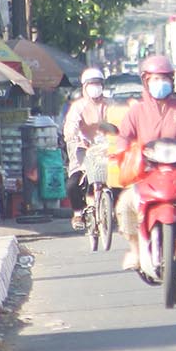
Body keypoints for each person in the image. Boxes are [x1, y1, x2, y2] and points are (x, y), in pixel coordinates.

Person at [115, 54, 176, 270]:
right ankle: (135, 250)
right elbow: (124, 136)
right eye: (156, 79)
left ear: (172, 80)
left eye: (165, 78)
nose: (161, 83)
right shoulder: (136, 111)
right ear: (146, 80)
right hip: (147, 172)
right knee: (125, 204)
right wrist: (121, 150)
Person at [62, 67, 109, 230]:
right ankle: (78, 213)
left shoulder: (109, 104)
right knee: (72, 184)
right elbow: (71, 124)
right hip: (84, 149)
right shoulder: (78, 106)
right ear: (84, 86)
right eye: (91, 84)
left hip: (106, 149)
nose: (95, 87)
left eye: (98, 83)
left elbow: (121, 120)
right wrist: (71, 135)